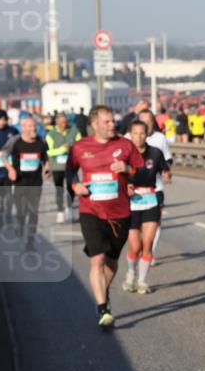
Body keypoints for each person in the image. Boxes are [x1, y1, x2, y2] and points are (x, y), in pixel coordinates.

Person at [66, 105, 144, 329]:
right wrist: (75, 186)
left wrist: (128, 170)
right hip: (91, 210)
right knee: (97, 259)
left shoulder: (125, 145)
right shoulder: (80, 147)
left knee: (111, 262)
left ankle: (103, 291)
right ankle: (103, 308)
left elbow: (143, 172)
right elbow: (70, 171)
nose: (112, 125)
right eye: (107, 122)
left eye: (113, 121)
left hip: (120, 212)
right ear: (94, 125)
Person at [122, 121, 169, 294]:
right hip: (131, 203)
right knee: (134, 246)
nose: (139, 137)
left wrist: (166, 174)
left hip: (150, 200)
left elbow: (164, 169)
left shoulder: (155, 153)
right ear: (130, 135)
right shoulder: (124, 154)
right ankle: (131, 272)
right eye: (135, 133)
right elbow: (118, 176)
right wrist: (125, 187)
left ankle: (142, 281)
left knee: (147, 244)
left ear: (147, 134)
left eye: (142, 133)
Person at [5, 117, 50, 250]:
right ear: (23, 127)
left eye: (34, 126)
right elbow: (3, 155)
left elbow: (45, 158)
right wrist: (10, 169)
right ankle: (20, 224)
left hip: (36, 183)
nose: (33, 129)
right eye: (30, 126)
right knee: (21, 211)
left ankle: (30, 241)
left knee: (33, 212)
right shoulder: (15, 142)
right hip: (19, 182)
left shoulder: (41, 142)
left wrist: (47, 168)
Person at [137, 109, 174, 265]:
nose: (146, 125)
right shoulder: (129, 138)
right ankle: (141, 249)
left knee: (155, 222)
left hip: (156, 188)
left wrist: (165, 172)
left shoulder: (160, 138)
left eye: (149, 122)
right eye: (143, 122)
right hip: (136, 190)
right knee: (139, 226)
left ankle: (149, 252)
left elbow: (168, 160)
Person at [46, 112, 81, 223]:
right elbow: (48, 152)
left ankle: (70, 210)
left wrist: (71, 148)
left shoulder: (74, 131)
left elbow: (80, 145)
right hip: (57, 166)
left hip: (71, 165)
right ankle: (60, 211)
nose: (63, 125)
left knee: (71, 189)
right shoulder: (50, 134)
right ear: (56, 122)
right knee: (59, 189)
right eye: (60, 123)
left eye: (65, 122)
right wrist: (62, 150)